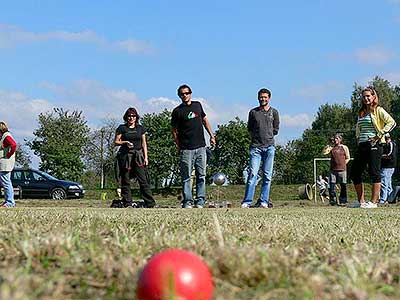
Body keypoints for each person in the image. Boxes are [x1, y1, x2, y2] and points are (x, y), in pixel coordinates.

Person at [350, 87, 396, 209]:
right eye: (364, 96)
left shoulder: (378, 110)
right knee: (355, 173)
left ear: (373, 97)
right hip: (362, 144)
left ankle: (374, 202)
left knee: (374, 172)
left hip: (375, 144)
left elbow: (391, 122)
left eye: (368, 96)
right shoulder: (361, 112)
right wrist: (358, 139)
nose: (366, 98)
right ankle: (361, 201)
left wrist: (380, 134)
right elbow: (358, 128)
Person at [171, 84, 216, 208]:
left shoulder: (197, 105)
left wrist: (211, 135)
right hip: (186, 149)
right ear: (179, 96)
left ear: (190, 93)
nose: (185, 95)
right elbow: (174, 131)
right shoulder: (177, 111)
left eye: (187, 93)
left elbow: (205, 120)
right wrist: (179, 145)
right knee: (186, 177)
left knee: (201, 175)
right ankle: (188, 201)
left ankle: (200, 201)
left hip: (201, 147)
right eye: (182, 94)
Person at [241, 88, 280, 208]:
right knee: (252, 174)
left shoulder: (274, 112)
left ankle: (264, 201)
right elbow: (250, 129)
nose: (263, 99)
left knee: (267, 176)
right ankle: (247, 201)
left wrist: (267, 136)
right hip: (256, 148)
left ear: (269, 98)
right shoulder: (253, 112)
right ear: (258, 98)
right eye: (261, 97)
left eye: (265, 97)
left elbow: (275, 129)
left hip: (269, 147)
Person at [114, 107, 156, 208]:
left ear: (136, 117)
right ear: (126, 117)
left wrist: (146, 157)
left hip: (138, 156)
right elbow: (116, 142)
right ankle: (127, 202)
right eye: (129, 116)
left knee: (143, 179)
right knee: (126, 180)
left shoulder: (140, 128)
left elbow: (144, 144)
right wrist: (125, 142)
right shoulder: (122, 128)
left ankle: (150, 203)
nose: (131, 118)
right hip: (125, 157)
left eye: (133, 116)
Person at [323, 133, 350, 206]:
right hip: (333, 170)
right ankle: (333, 200)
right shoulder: (331, 147)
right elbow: (324, 153)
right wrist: (329, 145)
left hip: (342, 170)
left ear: (340, 140)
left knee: (343, 185)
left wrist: (344, 164)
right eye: (334, 138)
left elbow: (348, 157)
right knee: (331, 186)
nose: (335, 140)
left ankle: (343, 201)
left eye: (337, 138)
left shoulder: (344, 147)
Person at [0, 122, 17, 208]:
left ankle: (10, 202)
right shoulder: (5, 136)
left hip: (5, 163)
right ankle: (8, 201)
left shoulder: (6, 136)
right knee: (6, 182)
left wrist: (9, 154)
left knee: (6, 183)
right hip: (4, 163)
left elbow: (13, 145)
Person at [379, 133, 397, 204]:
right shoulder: (386, 145)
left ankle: (383, 199)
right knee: (388, 183)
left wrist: (379, 156)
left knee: (384, 183)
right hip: (386, 166)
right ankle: (390, 199)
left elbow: (390, 155)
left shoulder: (391, 144)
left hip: (388, 166)